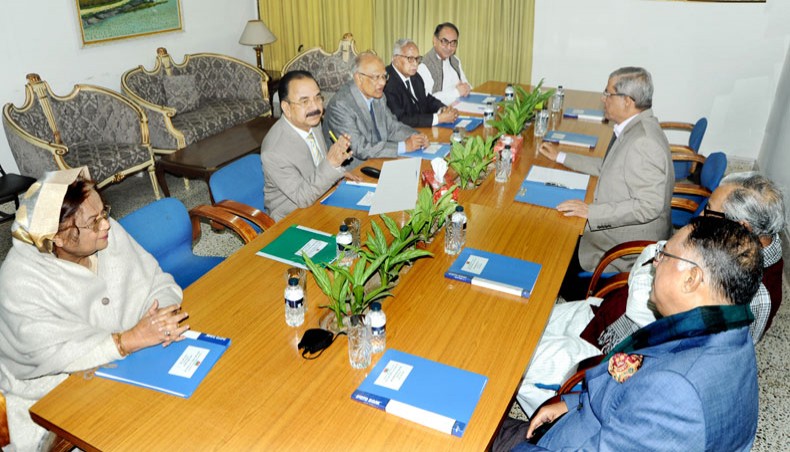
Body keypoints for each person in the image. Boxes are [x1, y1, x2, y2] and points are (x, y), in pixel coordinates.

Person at [515, 171, 785, 415]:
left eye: (710, 212)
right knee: (523, 318)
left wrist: (645, 282)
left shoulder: (753, 294)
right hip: (610, 313)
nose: (700, 217)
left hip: (616, 353)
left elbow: (680, 353)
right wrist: (650, 280)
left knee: (517, 358)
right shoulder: (720, 250)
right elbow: (652, 259)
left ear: (743, 229)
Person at [498, 217, 763, 451]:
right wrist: (572, 403)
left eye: (664, 255)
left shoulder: (677, 392)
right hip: (583, 425)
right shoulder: (729, 333)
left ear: (691, 278)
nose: (655, 263)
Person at [0, 168, 187, 451]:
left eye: (104, 212)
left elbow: (155, 279)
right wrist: (127, 341)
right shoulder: (19, 281)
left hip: (132, 368)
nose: (106, 225)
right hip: (54, 399)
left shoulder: (107, 234)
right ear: (58, 236)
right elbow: (56, 355)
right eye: (94, 222)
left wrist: (163, 313)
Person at [539, 67, 673, 301]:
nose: (603, 99)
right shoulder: (634, 127)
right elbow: (609, 166)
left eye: (608, 93)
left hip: (622, 248)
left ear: (628, 102)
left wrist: (591, 211)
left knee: (549, 244)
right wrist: (561, 157)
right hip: (622, 227)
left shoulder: (643, 142)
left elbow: (650, 206)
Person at [261, 70, 355, 221]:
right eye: (304, 101)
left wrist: (337, 174)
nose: (315, 107)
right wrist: (331, 165)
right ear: (286, 108)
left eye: (318, 98)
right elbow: (302, 198)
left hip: (321, 197)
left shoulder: (311, 122)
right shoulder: (274, 151)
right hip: (292, 215)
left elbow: (318, 165)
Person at [323, 52, 428, 168]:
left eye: (384, 76)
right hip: (355, 169)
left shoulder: (379, 96)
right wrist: (404, 146)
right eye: (376, 77)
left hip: (380, 159)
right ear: (359, 78)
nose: (383, 82)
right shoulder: (341, 105)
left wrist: (418, 137)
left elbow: (392, 127)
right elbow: (360, 148)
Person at [384, 38, 459, 128]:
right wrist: (438, 118)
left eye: (417, 59)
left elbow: (426, 99)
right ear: (395, 59)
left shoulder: (415, 76)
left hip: (421, 130)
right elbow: (401, 119)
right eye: (410, 59)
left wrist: (443, 109)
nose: (415, 64)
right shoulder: (386, 82)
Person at [417, 22, 472, 105]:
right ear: (435, 40)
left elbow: (465, 84)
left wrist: (467, 88)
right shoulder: (424, 66)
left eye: (453, 43)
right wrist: (456, 92)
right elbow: (427, 100)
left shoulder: (455, 60)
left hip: (459, 106)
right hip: (439, 114)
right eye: (444, 41)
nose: (449, 47)